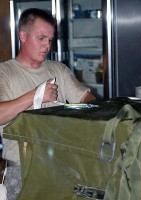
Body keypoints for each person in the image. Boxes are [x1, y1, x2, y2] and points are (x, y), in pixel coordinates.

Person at [0, 8, 96, 200]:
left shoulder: (57, 69)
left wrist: (87, 107)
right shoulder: (5, 73)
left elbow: (87, 99)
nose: (47, 45)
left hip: (63, 164)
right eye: (41, 38)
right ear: (23, 36)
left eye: (50, 40)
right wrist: (36, 95)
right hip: (22, 170)